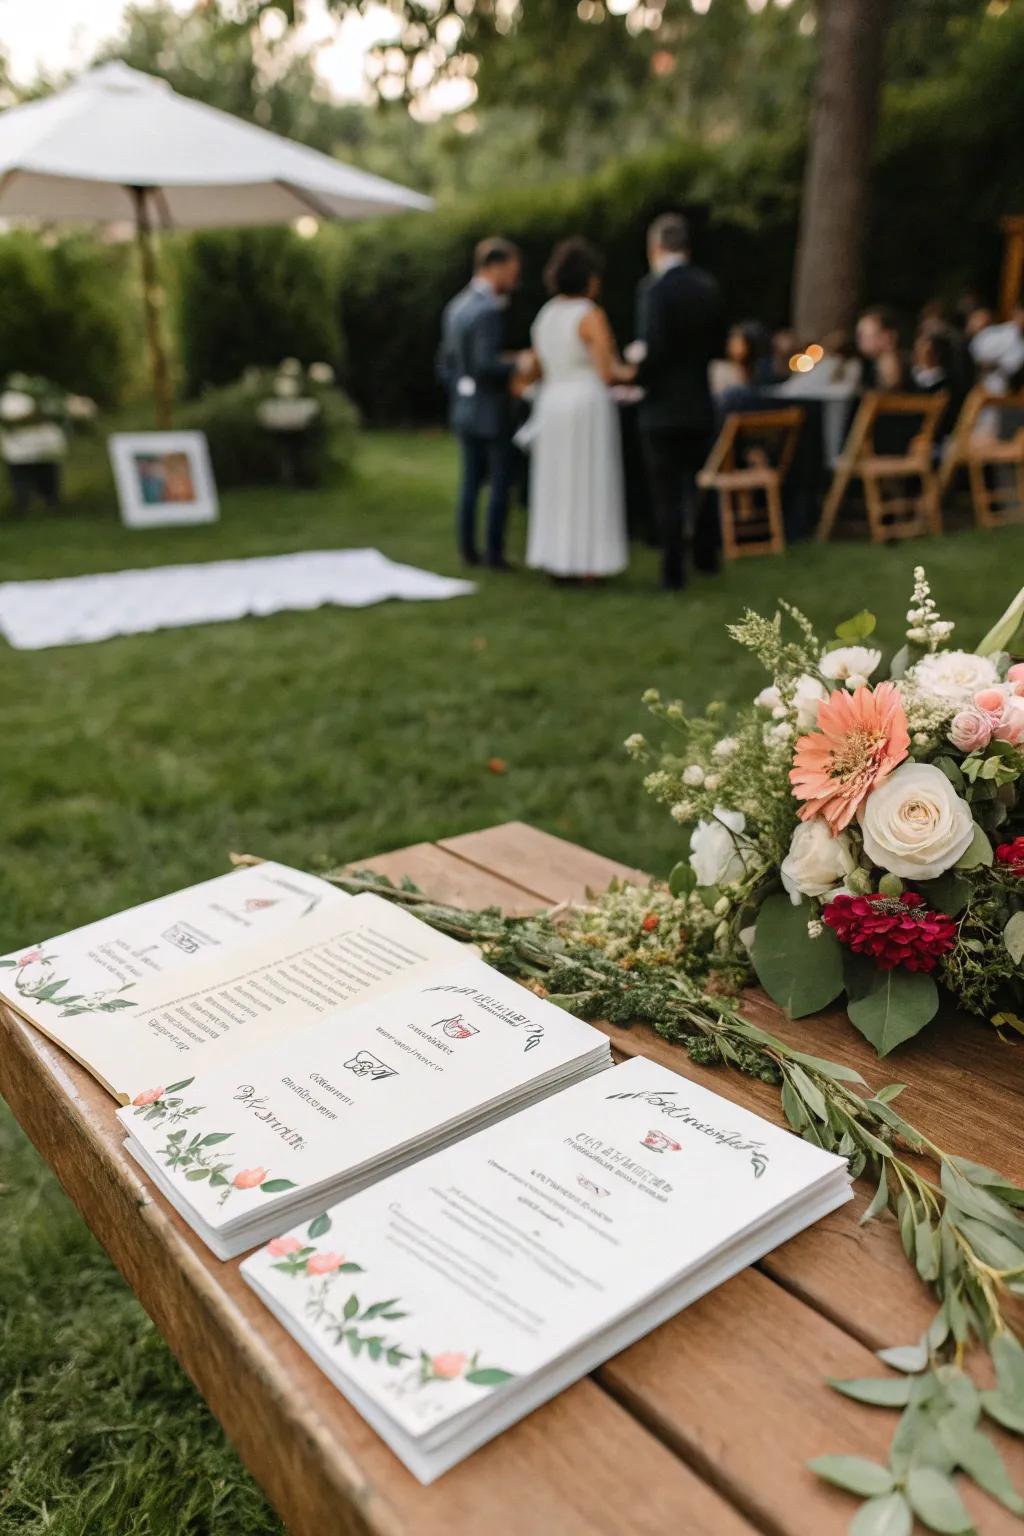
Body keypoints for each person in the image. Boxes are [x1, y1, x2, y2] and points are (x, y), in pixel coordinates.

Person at [522, 238, 631, 582]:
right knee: (588, 483)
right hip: (585, 404)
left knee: (557, 483)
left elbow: (535, 368)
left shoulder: (546, 314)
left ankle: (556, 559)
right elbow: (608, 371)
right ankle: (587, 563)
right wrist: (637, 369)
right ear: (589, 278)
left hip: (552, 403)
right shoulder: (589, 314)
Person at [628, 212, 724, 590]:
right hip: (699, 401)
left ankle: (672, 571)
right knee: (701, 483)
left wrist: (638, 374)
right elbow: (716, 344)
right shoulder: (708, 286)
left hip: (663, 406)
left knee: (666, 491)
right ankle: (706, 556)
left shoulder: (654, 290)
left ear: (655, 247)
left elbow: (655, 349)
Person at [437, 237, 524, 569]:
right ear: (495, 267)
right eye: (512, 271)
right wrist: (518, 363)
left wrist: (462, 391)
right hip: (491, 410)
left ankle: (467, 550)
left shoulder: (456, 306)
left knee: (470, 482)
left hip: (463, 407)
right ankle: (494, 553)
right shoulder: (488, 310)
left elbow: (445, 364)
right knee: (499, 482)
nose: (515, 279)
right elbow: (486, 364)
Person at [855, 306, 909, 390]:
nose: (859, 341)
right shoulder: (868, 367)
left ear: (888, 337)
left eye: (865, 336)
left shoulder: (907, 370)